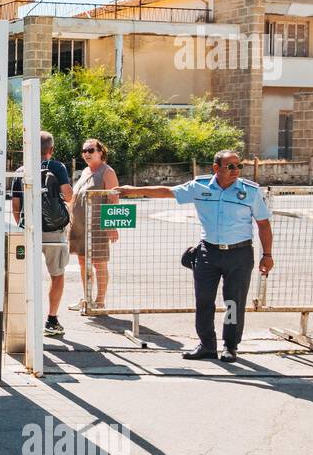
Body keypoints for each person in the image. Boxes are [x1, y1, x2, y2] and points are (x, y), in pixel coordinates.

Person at [117, 149, 273, 362]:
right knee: (204, 301)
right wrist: (133, 190)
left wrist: (267, 254)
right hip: (209, 253)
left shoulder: (250, 192)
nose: (236, 170)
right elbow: (167, 191)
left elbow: (263, 225)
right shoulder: (199, 186)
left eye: (239, 166)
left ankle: (230, 346)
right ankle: (207, 345)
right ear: (216, 168)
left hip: (240, 254)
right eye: (230, 166)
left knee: (233, 303)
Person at [11, 131, 74, 337]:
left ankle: (23, 321)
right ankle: (52, 320)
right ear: (51, 149)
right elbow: (68, 195)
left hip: (29, 230)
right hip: (54, 231)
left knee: (24, 274)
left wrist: (22, 225)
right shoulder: (58, 167)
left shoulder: (21, 170)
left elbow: (15, 205)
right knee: (56, 274)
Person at [68, 138, 119, 309]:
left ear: (100, 152)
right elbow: (74, 197)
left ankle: (100, 301)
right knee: (82, 261)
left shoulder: (107, 172)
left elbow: (114, 199)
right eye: (84, 151)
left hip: (98, 226)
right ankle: (87, 298)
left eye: (90, 150)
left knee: (99, 263)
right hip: (80, 226)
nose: (86, 154)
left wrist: (112, 226)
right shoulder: (85, 171)